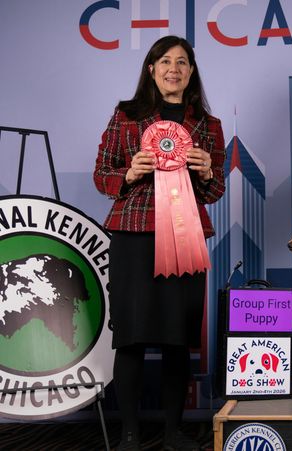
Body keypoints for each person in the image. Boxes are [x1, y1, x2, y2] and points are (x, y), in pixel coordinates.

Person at [93, 35, 225, 450]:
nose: (174, 69)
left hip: (185, 239)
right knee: (130, 338)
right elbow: (101, 174)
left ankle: (172, 434)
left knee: (176, 339)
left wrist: (207, 172)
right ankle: (130, 435)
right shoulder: (126, 115)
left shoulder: (209, 125)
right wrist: (129, 173)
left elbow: (215, 191)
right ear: (151, 70)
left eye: (182, 62)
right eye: (165, 61)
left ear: (191, 71)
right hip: (133, 236)